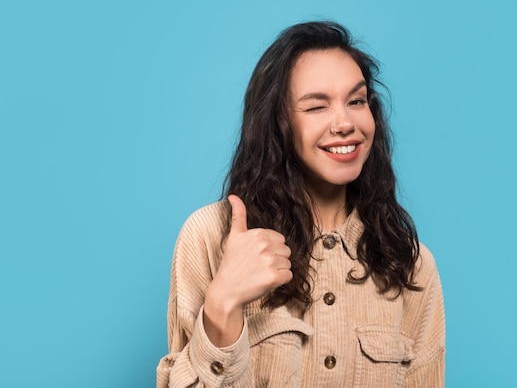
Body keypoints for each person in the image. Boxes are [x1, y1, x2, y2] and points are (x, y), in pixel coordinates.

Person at [156, 21, 445, 387]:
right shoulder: (211, 236)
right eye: (316, 107)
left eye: (356, 101)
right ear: (278, 124)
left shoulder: (411, 264)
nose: (345, 123)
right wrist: (223, 302)